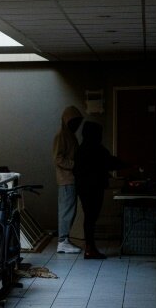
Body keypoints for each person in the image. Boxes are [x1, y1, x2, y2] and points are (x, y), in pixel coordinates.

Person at [74, 121, 128, 259]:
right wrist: (128, 164)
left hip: (82, 187)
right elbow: (109, 162)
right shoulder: (97, 149)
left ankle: (89, 248)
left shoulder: (81, 149)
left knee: (89, 217)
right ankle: (90, 249)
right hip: (94, 187)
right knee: (92, 217)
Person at [52, 105, 84, 254]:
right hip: (66, 179)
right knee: (66, 211)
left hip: (70, 179)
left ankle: (64, 240)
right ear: (67, 121)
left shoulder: (69, 135)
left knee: (69, 211)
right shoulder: (62, 136)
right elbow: (58, 158)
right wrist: (75, 165)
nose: (76, 125)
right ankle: (63, 241)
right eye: (74, 121)